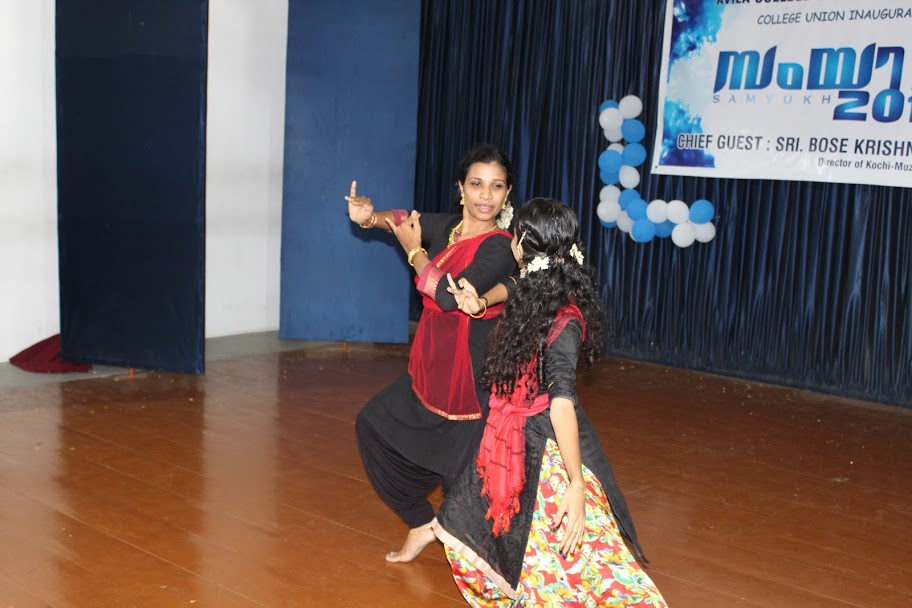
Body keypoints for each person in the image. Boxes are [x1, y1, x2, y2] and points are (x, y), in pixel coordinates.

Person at [434, 198, 668, 606]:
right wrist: (480, 303)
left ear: (521, 245)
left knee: (577, 563)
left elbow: (562, 403)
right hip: (510, 437)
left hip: (545, 449)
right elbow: (513, 288)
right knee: (490, 537)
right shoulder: (536, 288)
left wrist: (576, 484)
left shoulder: (566, 319)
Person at [346, 144, 518, 562]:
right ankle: (421, 522)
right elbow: (402, 219)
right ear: (460, 188)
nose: (485, 195)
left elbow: (448, 297)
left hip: (475, 376)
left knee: (460, 478)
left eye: (496, 186)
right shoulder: (449, 227)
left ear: (507, 193)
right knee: (373, 426)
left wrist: (414, 252)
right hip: (432, 364)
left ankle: (484, 561)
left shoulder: (500, 247)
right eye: (476, 184)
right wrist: (368, 217)